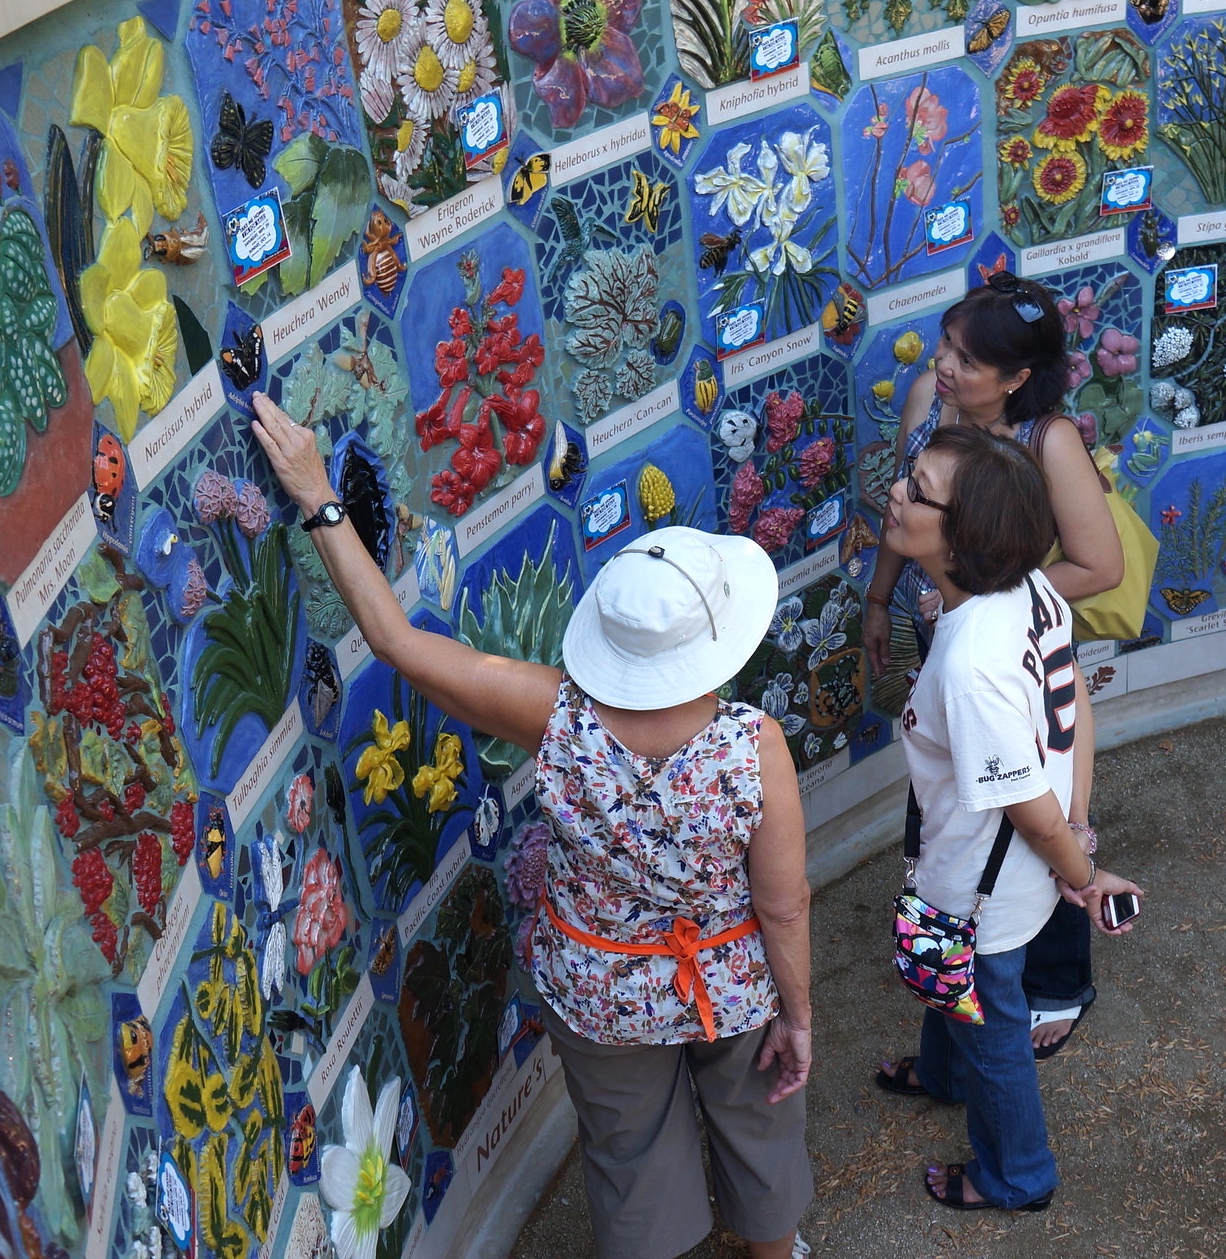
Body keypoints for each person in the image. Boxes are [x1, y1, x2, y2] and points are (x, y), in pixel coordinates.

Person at [250, 394, 814, 1259]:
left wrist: (319, 497)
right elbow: (784, 905)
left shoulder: (558, 716)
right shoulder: (754, 746)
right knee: (757, 1118)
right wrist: (798, 1013)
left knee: (628, 1156)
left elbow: (397, 640)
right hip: (729, 976)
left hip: (599, 986)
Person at [867, 426, 1140, 1212]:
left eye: (918, 489)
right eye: (909, 476)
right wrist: (1080, 821)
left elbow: (1025, 807)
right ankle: (941, 1074)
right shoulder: (1029, 585)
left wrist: (1083, 870)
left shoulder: (970, 663)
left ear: (964, 537)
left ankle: (1016, 1175)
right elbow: (1077, 700)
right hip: (996, 862)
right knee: (954, 984)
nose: (898, 491)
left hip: (988, 884)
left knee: (995, 1031)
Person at [861, 270, 1127, 1059]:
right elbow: (899, 509)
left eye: (967, 360)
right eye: (946, 345)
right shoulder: (925, 403)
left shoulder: (1048, 439)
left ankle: (1057, 981)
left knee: (1043, 817)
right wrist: (879, 600)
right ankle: (965, 971)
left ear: (1017, 377)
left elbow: (1101, 564)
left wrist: (990, 596)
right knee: (961, 813)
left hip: (1007, 652)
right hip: (942, 639)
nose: (945, 366)